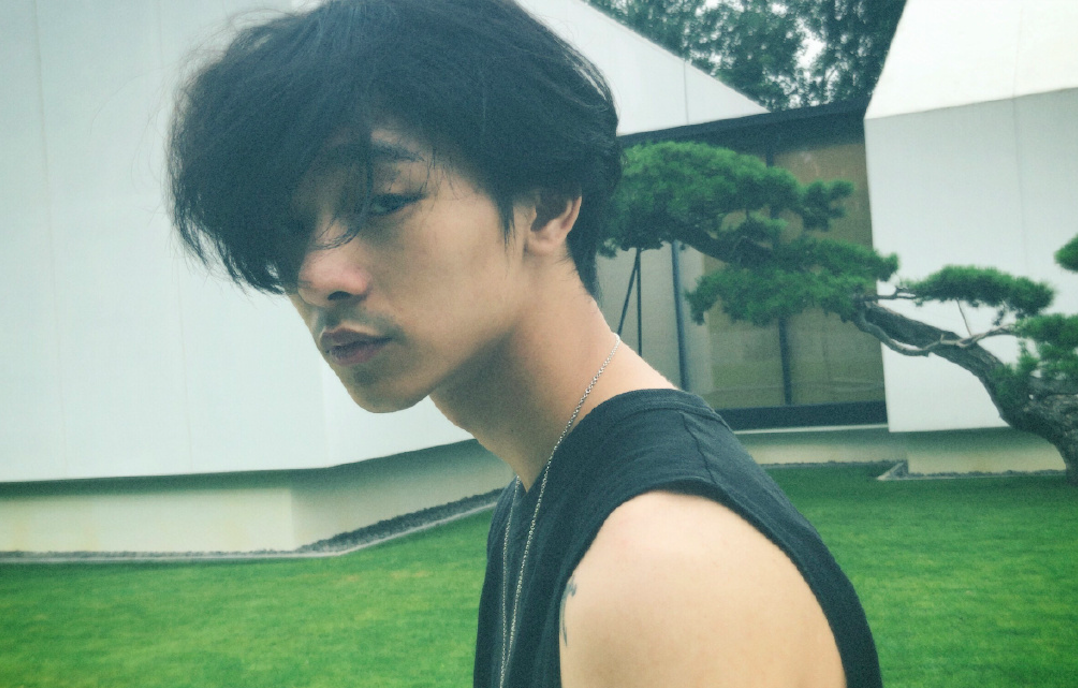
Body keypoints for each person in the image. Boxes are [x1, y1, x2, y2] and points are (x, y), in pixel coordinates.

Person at [168, 0, 883, 686]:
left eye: (383, 201)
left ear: (547, 204)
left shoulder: (661, 568)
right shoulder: (542, 494)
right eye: (292, 229)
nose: (318, 276)